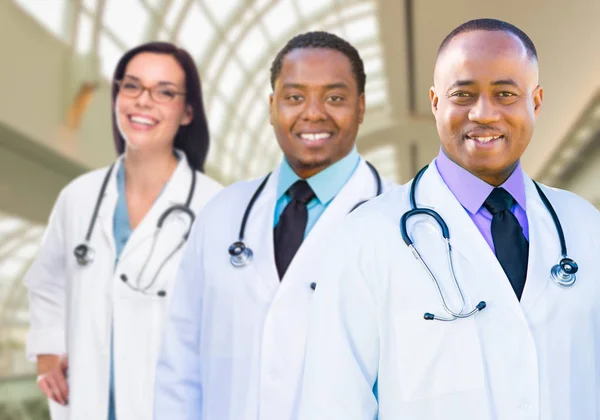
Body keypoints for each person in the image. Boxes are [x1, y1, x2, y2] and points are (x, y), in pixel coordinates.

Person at [298, 18, 600, 420]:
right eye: (463, 94)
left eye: (506, 93)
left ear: (537, 102)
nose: (484, 113)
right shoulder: (366, 237)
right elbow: (331, 405)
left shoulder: (583, 226)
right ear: (436, 102)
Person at [154, 31, 393, 420]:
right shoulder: (221, 216)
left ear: (361, 107)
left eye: (334, 98)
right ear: (271, 106)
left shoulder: (402, 224)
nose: (312, 113)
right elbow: (179, 367)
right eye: (294, 97)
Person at [24, 41, 222, 420]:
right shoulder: (78, 197)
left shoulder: (217, 206)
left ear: (187, 112)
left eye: (164, 92)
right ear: (117, 97)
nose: (143, 101)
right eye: (132, 86)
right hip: (88, 404)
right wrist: (47, 352)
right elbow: (47, 282)